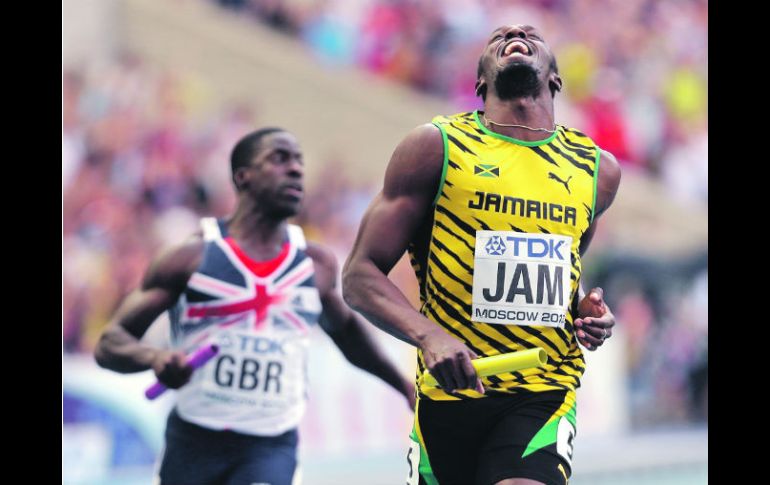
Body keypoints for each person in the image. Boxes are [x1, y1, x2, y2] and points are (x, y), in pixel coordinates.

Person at [342, 24, 621, 485]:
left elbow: (559, 270)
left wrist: (583, 311)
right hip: (450, 395)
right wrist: (429, 337)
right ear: (480, 84)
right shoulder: (436, 148)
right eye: (497, 39)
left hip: (542, 389)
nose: (515, 31)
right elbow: (358, 275)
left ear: (555, 78)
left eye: (532, 33)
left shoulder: (596, 170)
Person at [95, 127, 415, 485]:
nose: (296, 169)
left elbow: (349, 336)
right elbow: (110, 343)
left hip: (270, 447)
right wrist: (153, 359)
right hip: (194, 441)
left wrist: (403, 386)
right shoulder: (189, 258)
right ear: (242, 176)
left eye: (299, 161)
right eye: (279, 159)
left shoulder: (315, 264)